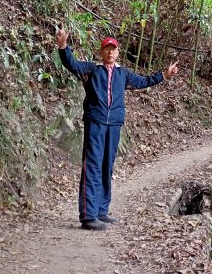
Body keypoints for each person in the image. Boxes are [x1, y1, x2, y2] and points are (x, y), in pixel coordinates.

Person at [56, 28, 179, 231]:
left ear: (118, 52)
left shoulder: (123, 74)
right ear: (101, 51)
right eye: (107, 49)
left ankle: (102, 210)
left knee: (107, 165)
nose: (110, 53)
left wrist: (163, 75)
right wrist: (63, 47)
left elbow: (143, 81)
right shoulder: (92, 70)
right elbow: (72, 64)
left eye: (113, 49)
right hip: (95, 122)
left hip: (114, 124)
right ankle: (88, 215)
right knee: (93, 165)